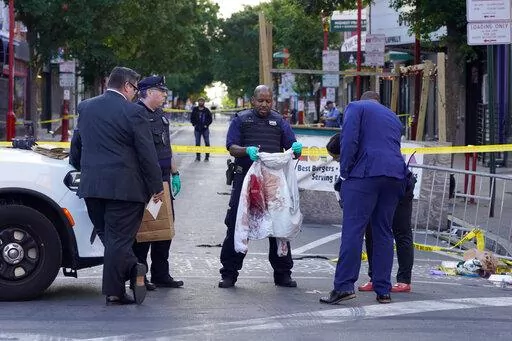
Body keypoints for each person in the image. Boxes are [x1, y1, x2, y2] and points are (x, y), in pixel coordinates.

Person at [69, 66, 164, 306]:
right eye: (135, 88)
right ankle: (117, 289)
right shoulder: (134, 113)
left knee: (111, 240)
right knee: (120, 241)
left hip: (92, 188)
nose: (135, 93)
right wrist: (156, 186)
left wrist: (84, 169)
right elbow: (146, 154)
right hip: (126, 190)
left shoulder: (86, 107)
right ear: (127, 86)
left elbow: (76, 147)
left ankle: (133, 270)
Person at [320, 91, 407, 305]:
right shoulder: (393, 117)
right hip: (395, 175)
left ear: (363, 98)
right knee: (383, 232)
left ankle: (343, 287)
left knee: (353, 230)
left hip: (365, 174)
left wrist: (345, 172)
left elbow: (349, 141)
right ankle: (383, 290)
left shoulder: (355, 107)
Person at [218, 85, 303, 289]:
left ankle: (283, 273)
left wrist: (297, 150)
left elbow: (293, 147)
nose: (264, 104)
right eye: (260, 100)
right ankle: (229, 273)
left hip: (272, 184)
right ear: (252, 101)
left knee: (279, 226)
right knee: (238, 225)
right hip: (245, 181)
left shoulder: (280, 122)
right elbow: (231, 147)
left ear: (272, 101)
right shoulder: (241, 120)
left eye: (268, 101)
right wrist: (246, 150)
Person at [326, 131, 416, 293]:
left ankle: (404, 279)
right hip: (381, 188)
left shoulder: (367, 153)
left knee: (400, 231)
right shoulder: (357, 156)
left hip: (399, 187)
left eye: (336, 156)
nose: (335, 160)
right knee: (372, 232)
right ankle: (376, 278)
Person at [132, 75, 184, 291]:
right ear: (148, 92)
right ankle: (140, 276)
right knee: (145, 231)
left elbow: (166, 148)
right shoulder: (136, 114)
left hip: (163, 179)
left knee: (165, 228)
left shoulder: (161, 115)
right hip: (145, 182)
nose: (164, 95)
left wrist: (175, 173)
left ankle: (162, 274)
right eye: (161, 91)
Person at [190, 97, 213, 162]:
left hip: (205, 129)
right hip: (197, 129)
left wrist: (206, 125)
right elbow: (192, 118)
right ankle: (198, 157)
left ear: (204, 102)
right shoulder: (195, 109)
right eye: (200, 101)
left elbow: (210, 119)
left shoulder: (206, 110)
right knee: (197, 143)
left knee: (207, 143)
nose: (201, 102)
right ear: (198, 102)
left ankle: (207, 157)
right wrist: (194, 124)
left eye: (202, 101)